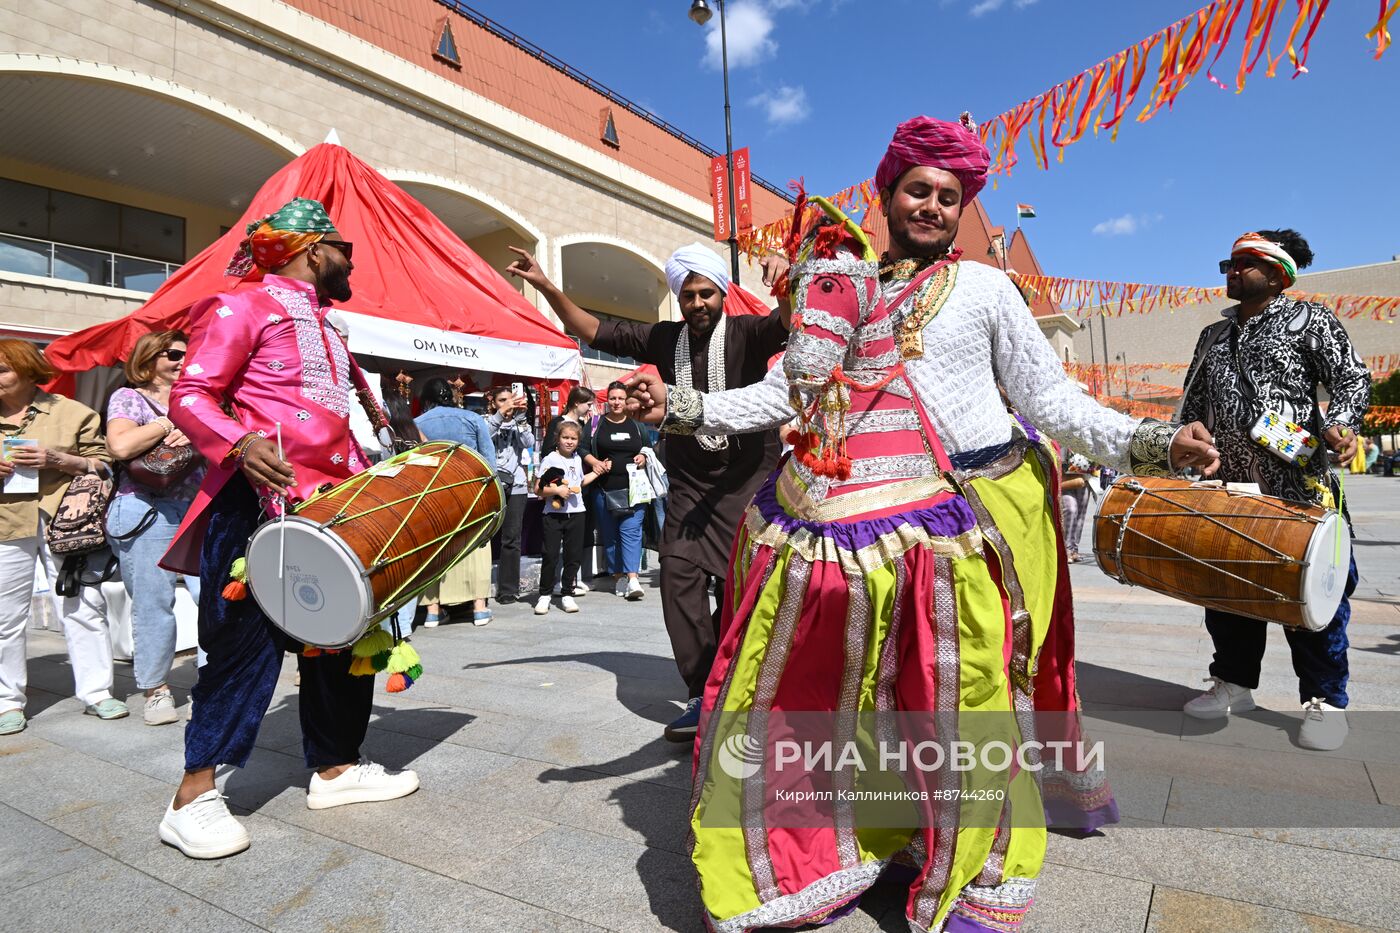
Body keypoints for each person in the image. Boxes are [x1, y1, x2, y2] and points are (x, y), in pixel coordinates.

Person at [628, 114, 1221, 932]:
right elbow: (790, 396)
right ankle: (885, 828)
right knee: (870, 693)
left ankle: (982, 868)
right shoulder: (845, 286)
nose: (934, 206)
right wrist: (685, 404)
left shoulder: (984, 289)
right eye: (919, 190)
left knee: (966, 696)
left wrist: (1153, 440)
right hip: (862, 525)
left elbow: (1050, 400)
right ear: (886, 196)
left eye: (950, 196)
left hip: (974, 520)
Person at [155, 198, 418, 860]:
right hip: (258, 505)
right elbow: (189, 395)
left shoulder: (331, 328)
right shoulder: (240, 306)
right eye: (345, 247)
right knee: (245, 649)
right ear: (313, 248)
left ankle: (334, 767)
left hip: (332, 509)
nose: (352, 259)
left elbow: (333, 428)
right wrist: (240, 442)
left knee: (340, 639)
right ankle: (192, 796)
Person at [507, 242, 788, 743]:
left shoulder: (749, 330)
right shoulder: (664, 338)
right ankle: (703, 692)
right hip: (689, 482)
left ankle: (742, 691)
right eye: (687, 295)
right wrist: (547, 285)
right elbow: (593, 330)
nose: (697, 303)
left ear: (721, 292)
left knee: (738, 586)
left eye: (706, 293)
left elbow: (791, 319)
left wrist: (787, 279)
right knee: (677, 575)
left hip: (747, 479)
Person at [1177, 230, 1371, 750]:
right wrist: (1188, 442)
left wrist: (1344, 425)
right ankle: (1234, 684)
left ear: (1278, 272)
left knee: (1313, 596)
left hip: (1300, 485)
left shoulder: (1311, 320)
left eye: (1243, 263)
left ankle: (1326, 701)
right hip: (1229, 487)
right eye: (1228, 263)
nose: (1230, 272)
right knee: (1226, 590)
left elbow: (1353, 380)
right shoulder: (1212, 337)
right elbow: (1192, 404)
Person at [0, 339, 121, 735]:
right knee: (5, 617)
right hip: (5, 523)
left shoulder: (73, 413)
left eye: (3, 369)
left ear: (28, 370)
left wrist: (59, 460)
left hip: (67, 522)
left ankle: (97, 692)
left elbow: (104, 466)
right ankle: (7, 701)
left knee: (82, 606)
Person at [105, 329, 205, 725]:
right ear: (148, 360)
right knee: (152, 602)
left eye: (186, 354)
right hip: (147, 507)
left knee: (213, 599)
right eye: (173, 354)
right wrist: (170, 422)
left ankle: (210, 683)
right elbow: (121, 446)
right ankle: (156, 688)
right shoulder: (129, 396)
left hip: (199, 505)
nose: (182, 360)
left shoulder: (200, 398)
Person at [416, 377, 496, 626]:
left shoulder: (417, 423)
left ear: (427, 400)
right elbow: (488, 462)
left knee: (434, 550)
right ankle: (479, 608)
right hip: (470, 492)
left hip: (432, 495)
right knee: (475, 547)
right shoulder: (473, 419)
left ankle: (432, 610)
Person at [534, 421, 604, 615]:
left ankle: (567, 592)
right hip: (554, 514)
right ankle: (545, 594)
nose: (569, 442)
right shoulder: (550, 459)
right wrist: (556, 489)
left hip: (577, 513)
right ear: (557, 439)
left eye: (573, 439)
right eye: (565, 437)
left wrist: (597, 472)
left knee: (573, 556)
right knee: (551, 555)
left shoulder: (577, 460)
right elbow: (538, 488)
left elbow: (580, 482)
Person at [591, 382, 650, 601]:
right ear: (607, 400)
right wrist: (594, 462)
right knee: (611, 536)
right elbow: (583, 448)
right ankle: (619, 576)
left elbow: (647, 447)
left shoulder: (637, 426)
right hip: (603, 490)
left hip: (634, 489)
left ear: (627, 401)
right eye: (613, 398)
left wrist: (643, 456)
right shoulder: (596, 423)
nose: (617, 402)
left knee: (631, 533)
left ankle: (633, 578)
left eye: (621, 398)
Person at [542, 386, 604, 594]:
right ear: (577, 403)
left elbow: (583, 453)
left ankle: (572, 580)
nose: (589, 409)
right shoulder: (558, 424)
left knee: (575, 544)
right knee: (554, 547)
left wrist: (595, 469)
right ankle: (554, 586)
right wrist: (557, 486)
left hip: (580, 489)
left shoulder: (585, 425)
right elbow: (547, 456)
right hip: (559, 493)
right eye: (588, 404)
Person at [485, 384, 534, 605]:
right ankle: (478, 589)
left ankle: (508, 589)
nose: (507, 404)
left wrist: (521, 418)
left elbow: (529, 443)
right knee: (482, 537)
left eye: (510, 400)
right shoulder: (485, 420)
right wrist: (500, 415)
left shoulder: (518, 422)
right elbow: (485, 436)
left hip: (516, 486)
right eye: (502, 400)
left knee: (511, 538)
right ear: (493, 402)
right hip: (491, 485)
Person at [1058, 450, 1094, 563]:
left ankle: (1074, 549)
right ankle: (1066, 549)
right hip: (1062, 475)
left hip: (1085, 477)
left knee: (1080, 515)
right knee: (1070, 509)